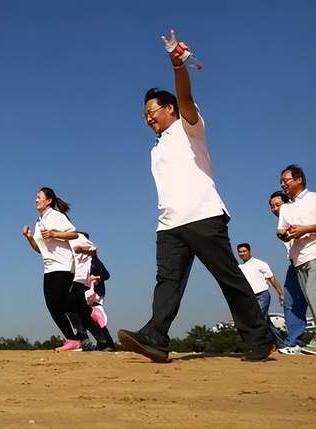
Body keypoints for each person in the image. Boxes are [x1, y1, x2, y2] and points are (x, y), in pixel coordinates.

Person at [117, 30, 273, 362]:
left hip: (203, 216)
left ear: (169, 109)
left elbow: (185, 97)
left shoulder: (189, 127)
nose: (148, 117)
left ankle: (259, 340)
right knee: (167, 282)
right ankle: (156, 338)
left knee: (228, 278)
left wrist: (177, 67)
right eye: (144, 114)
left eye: (152, 111)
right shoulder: (156, 147)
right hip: (169, 225)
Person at [22, 187, 81, 351]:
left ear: (49, 201)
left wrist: (55, 234)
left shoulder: (56, 216)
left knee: (57, 303)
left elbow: (74, 234)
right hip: (49, 267)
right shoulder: (39, 222)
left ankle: (75, 337)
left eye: (39, 197)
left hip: (63, 264)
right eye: (35, 197)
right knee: (52, 305)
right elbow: (38, 249)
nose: (36, 200)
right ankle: (73, 338)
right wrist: (28, 238)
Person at [277, 164, 316, 354]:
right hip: (298, 260)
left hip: (314, 254)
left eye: (286, 181)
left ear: (299, 179)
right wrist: (284, 234)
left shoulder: (313, 199)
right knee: (310, 300)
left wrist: (304, 229)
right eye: (281, 182)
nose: (283, 185)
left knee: (314, 297)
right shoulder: (285, 208)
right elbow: (280, 230)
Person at [269, 191, 308, 354]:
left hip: (309, 260)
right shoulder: (281, 224)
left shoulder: (300, 215)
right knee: (290, 302)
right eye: (272, 206)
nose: (274, 208)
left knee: (312, 299)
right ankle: (294, 342)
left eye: (278, 204)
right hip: (294, 264)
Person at [68, 232, 117, 351]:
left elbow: (106, 275)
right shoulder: (79, 262)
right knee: (86, 315)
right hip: (86, 292)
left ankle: (108, 343)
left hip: (95, 295)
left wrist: (96, 278)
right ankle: (100, 342)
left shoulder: (94, 260)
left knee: (96, 318)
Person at [236, 243, 287, 348]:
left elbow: (271, 278)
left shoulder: (260, 263)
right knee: (266, 322)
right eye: (240, 252)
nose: (242, 254)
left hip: (262, 295)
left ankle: (263, 345)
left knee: (259, 320)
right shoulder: (239, 267)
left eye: (244, 251)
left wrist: (280, 293)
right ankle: (281, 345)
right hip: (249, 297)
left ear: (249, 251)